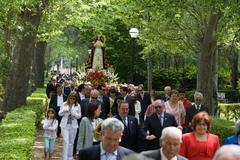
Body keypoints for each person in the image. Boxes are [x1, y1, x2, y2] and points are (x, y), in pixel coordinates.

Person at [59, 91, 81, 160]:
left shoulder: (78, 105)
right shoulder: (64, 104)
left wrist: (74, 115)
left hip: (73, 126)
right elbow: (59, 113)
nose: (72, 100)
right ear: (68, 98)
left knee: (71, 142)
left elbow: (79, 116)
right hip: (64, 126)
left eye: (73, 98)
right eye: (70, 98)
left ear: (76, 99)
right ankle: (65, 158)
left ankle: (70, 157)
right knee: (66, 141)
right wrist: (64, 111)